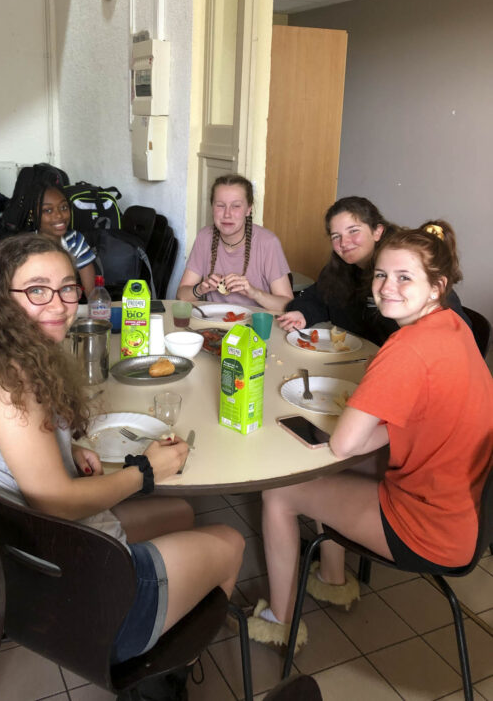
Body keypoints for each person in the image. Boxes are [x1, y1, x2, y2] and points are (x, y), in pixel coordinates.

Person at [0, 234, 244, 666]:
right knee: (231, 541)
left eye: (68, 287)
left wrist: (68, 450)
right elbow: (60, 503)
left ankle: (175, 605)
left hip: (25, 559)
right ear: (0, 299)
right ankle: (162, 672)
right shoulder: (8, 385)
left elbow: (23, 453)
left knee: (180, 513)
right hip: (73, 588)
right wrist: (146, 471)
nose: (60, 303)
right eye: (36, 289)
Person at [249, 221, 493, 651]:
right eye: (381, 275)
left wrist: (356, 433)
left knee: (280, 492)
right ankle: (332, 578)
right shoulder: (456, 324)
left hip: (431, 527)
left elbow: (343, 444)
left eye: (404, 277)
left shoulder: (405, 350)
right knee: (331, 464)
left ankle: (280, 621)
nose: (387, 287)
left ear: (436, 286)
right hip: (467, 504)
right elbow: (413, 416)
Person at [278, 196, 470, 345]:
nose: (344, 243)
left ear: (377, 231)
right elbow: (319, 298)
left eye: (354, 231)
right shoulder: (339, 269)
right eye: (336, 236)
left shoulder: (411, 270)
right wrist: (302, 313)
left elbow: (455, 335)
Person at [177, 174, 293, 312]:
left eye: (236, 206)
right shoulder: (204, 237)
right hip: (213, 325)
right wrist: (201, 288)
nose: (227, 214)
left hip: (255, 328)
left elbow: (288, 304)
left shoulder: (268, 242)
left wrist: (255, 293)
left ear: (248, 209)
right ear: (212, 207)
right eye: (220, 205)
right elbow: (181, 296)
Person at [16, 181, 96, 297]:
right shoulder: (24, 247)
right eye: (48, 210)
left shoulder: (74, 241)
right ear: (32, 216)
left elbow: (92, 293)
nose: (59, 215)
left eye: (64, 207)